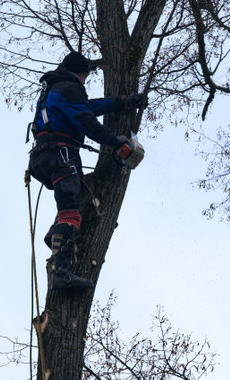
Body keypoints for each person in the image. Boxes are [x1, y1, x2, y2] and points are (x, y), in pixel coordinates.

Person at [28, 51, 144, 292]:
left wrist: (122, 102)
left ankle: (55, 236)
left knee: (71, 201)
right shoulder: (70, 88)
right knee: (71, 212)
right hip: (60, 154)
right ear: (79, 73)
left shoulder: (55, 88)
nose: (84, 83)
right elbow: (86, 121)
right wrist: (115, 140)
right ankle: (61, 274)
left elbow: (88, 107)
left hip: (44, 155)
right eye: (84, 78)